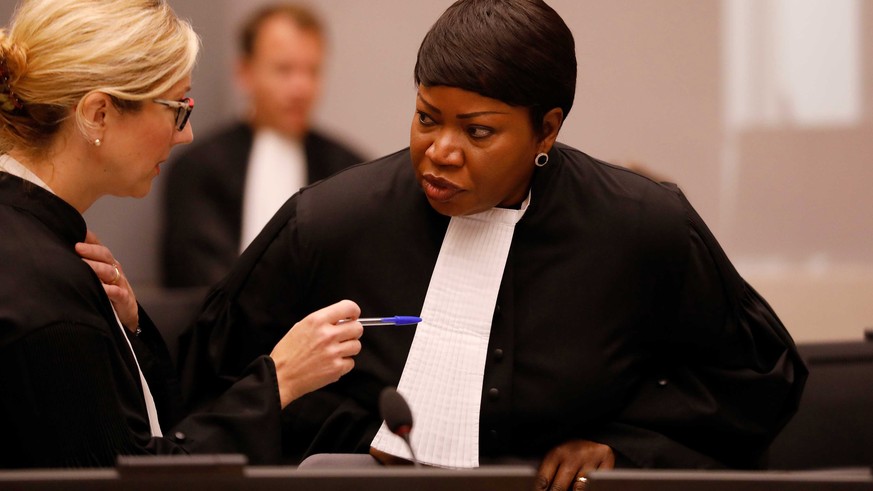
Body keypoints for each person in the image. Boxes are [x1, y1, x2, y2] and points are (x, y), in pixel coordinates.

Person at [178, 0, 807, 489]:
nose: (441, 152)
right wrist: (356, 433)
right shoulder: (329, 222)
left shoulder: (643, 227)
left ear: (548, 129)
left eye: (477, 131)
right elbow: (211, 382)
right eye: (427, 118)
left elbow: (760, 379)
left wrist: (627, 447)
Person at [0, 0, 363, 468]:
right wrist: (281, 380)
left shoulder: (40, 249)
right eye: (177, 108)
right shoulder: (43, 287)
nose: (184, 134)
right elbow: (139, 478)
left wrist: (128, 329)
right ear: (98, 114)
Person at [161, 3, 365, 288]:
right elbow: (198, 278)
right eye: (285, 70)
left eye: (313, 71)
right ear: (245, 72)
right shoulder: (199, 169)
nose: (302, 88)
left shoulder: (349, 170)